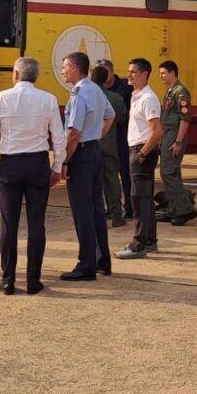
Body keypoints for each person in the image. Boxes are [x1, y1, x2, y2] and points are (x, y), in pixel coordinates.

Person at [0, 57, 65, 296]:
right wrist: (57, 166)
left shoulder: (0, 98)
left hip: (11, 163)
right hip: (38, 163)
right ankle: (32, 280)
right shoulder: (48, 100)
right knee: (36, 224)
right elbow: (58, 138)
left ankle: (8, 280)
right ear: (35, 76)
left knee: (9, 224)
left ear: (16, 74)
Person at [59, 51, 116, 281]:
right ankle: (102, 260)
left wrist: (64, 160)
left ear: (74, 67)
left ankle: (86, 265)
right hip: (94, 150)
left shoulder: (79, 95)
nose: (62, 71)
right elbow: (110, 116)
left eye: (64, 67)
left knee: (82, 211)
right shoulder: (96, 90)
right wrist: (97, 135)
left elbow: (73, 133)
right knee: (96, 208)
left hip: (81, 154)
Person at [117, 58, 162, 259]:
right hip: (137, 149)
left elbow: (156, 131)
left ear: (144, 73)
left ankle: (139, 243)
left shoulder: (148, 98)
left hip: (142, 150)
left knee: (139, 199)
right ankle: (150, 240)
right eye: (129, 71)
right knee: (145, 198)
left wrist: (142, 154)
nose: (129, 75)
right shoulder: (136, 96)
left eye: (134, 72)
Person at [156, 60, 197, 226]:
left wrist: (178, 141)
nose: (161, 77)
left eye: (164, 73)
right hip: (168, 136)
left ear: (173, 73)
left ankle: (185, 208)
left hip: (174, 136)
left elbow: (185, 119)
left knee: (167, 172)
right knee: (173, 173)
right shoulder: (170, 91)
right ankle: (173, 208)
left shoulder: (180, 93)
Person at [99, 59, 135, 219]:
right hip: (107, 138)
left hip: (123, 137)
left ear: (112, 72)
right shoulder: (98, 90)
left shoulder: (125, 89)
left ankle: (130, 207)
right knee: (108, 175)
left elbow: (124, 116)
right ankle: (112, 208)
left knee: (125, 174)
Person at [92, 65, 127, 228]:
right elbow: (121, 119)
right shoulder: (116, 98)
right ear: (107, 78)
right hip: (110, 144)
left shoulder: (83, 96)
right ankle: (117, 215)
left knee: (92, 182)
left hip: (90, 145)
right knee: (112, 179)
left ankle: (95, 216)